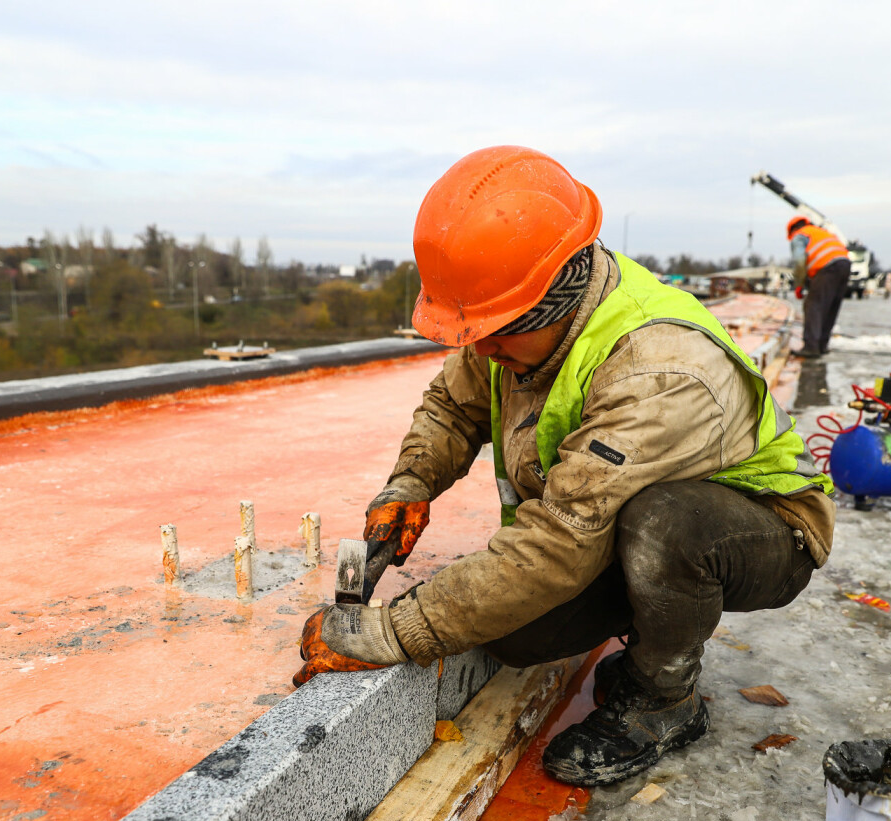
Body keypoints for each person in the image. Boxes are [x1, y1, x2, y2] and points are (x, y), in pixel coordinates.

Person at [296, 146, 835, 786]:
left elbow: (558, 540)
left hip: (757, 530)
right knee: (516, 636)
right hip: (614, 512)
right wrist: (411, 482)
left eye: (494, 330)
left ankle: (665, 699)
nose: (483, 349)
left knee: (661, 526)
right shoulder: (510, 323)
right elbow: (452, 405)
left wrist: (396, 630)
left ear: (552, 300)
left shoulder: (658, 368)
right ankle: (653, 614)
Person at [786, 216, 851, 358]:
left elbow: (799, 261)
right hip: (845, 265)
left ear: (793, 230)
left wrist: (799, 284)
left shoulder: (800, 235)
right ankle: (822, 345)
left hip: (827, 268)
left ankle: (811, 347)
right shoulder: (822, 232)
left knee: (813, 305)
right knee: (830, 307)